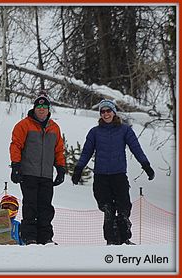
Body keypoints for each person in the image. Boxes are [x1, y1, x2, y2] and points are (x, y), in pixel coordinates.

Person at [71, 99, 154, 245]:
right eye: (102, 112)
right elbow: (86, 152)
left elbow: (136, 148)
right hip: (101, 176)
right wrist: (78, 169)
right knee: (107, 208)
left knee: (123, 208)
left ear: (114, 112)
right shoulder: (95, 132)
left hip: (118, 175)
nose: (105, 114)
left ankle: (125, 238)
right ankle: (111, 239)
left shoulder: (124, 130)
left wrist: (146, 165)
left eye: (108, 111)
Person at [9, 93, 66, 245]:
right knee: (30, 206)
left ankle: (46, 237)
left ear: (48, 110)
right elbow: (16, 145)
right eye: (39, 107)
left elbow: (59, 150)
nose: (41, 110)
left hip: (46, 175)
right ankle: (30, 237)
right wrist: (15, 166)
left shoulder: (54, 128)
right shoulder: (24, 125)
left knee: (46, 207)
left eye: (44, 107)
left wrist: (60, 168)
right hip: (28, 174)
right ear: (34, 108)